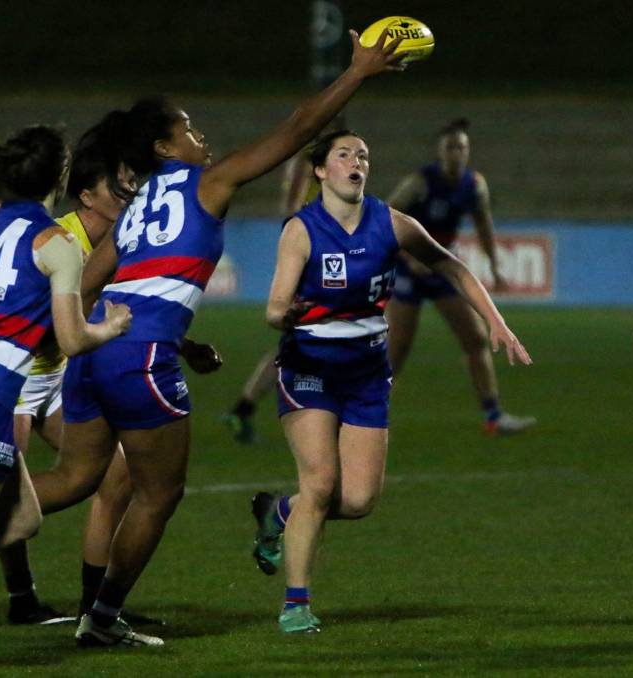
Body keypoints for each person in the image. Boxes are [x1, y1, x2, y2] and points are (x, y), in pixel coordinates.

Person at [29, 30, 403, 648]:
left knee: (74, 478)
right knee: (159, 493)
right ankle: (100, 619)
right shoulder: (206, 182)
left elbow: (90, 284)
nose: (201, 136)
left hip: (97, 355)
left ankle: (84, 602)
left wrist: (160, 339)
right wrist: (357, 73)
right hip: (138, 358)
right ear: (164, 145)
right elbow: (294, 132)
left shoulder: (142, 200)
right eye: (189, 128)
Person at [251, 130, 532, 634]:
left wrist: (496, 321)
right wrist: (285, 314)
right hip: (309, 368)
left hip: (365, 374)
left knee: (358, 500)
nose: (357, 162)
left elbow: (452, 266)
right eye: (344, 155)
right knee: (320, 483)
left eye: (363, 155)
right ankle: (295, 605)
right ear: (321, 170)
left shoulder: (391, 222)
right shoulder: (302, 230)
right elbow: (273, 308)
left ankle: (279, 512)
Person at [0, 127, 140, 625]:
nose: (128, 194)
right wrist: (113, 327)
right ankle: (23, 599)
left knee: (106, 477)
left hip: (47, 378)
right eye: (118, 186)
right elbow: (74, 333)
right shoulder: (59, 242)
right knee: (15, 510)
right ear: (70, 185)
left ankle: (95, 607)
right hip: (13, 384)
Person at [386, 118, 536, 435]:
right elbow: (385, 222)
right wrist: (409, 259)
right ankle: (363, 416)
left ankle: (494, 417)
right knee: (395, 351)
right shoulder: (419, 183)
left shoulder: (474, 185)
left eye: (462, 147)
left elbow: (483, 224)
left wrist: (494, 265)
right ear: (440, 152)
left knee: (476, 338)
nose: (457, 153)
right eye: (451, 147)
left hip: (442, 269)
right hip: (409, 273)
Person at [224, 116, 345, 444]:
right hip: (308, 260)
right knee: (311, 340)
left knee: (302, 342)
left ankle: (245, 408)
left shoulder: (331, 169)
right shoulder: (307, 165)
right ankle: (317, 416)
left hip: (320, 258)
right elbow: (291, 212)